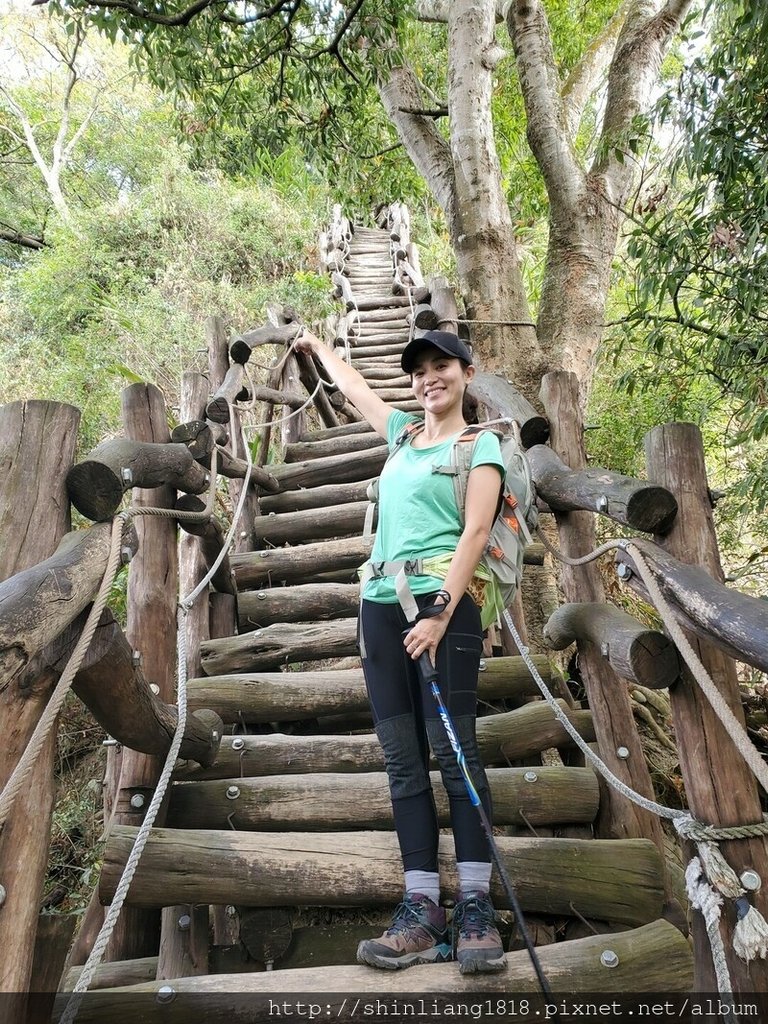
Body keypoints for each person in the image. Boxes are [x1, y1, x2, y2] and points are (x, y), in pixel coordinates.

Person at [294, 327, 507, 975]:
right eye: (418, 371)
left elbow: (476, 529)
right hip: (380, 607)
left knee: (455, 752)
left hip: (446, 605)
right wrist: (318, 349)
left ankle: (475, 905)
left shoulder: (481, 444)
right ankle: (422, 910)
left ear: (467, 373)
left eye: (441, 366)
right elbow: (356, 390)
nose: (428, 379)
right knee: (401, 760)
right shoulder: (403, 437)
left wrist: (442, 608)